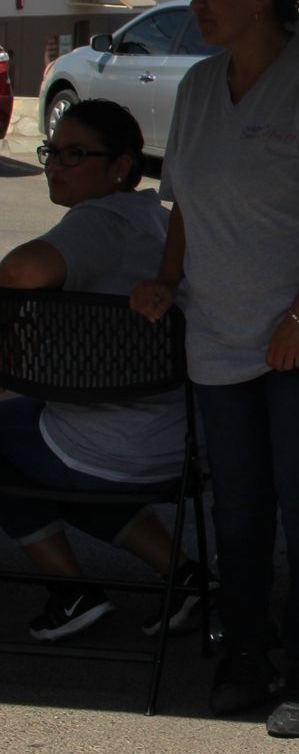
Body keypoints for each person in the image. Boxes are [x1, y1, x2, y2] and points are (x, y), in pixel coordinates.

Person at [129, 0, 299, 738]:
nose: (198, 4)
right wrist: (167, 279)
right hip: (220, 333)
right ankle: (245, 647)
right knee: (237, 506)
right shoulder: (201, 85)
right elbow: (185, 205)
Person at [0, 100, 196, 642]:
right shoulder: (154, 219)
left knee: (16, 449)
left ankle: (71, 590)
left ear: (120, 166)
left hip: (108, 445)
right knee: (33, 443)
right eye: (51, 152)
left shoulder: (100, 221)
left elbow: (19, 271)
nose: (55, 165)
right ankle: (182, 574)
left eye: (74, 155)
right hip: (176, 440)